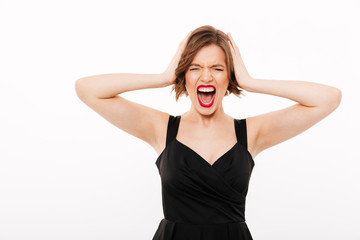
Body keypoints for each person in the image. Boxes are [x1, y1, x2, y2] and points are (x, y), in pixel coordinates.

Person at [75, 25, 342, 240]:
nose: (206, 77)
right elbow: (87, 89)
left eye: (217, 68)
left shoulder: (251, 132)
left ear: (229, 78)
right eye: (194, 68)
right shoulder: (162, 128)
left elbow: (329, 98)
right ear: (184, 77)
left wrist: (251, 82)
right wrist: (163, 76)